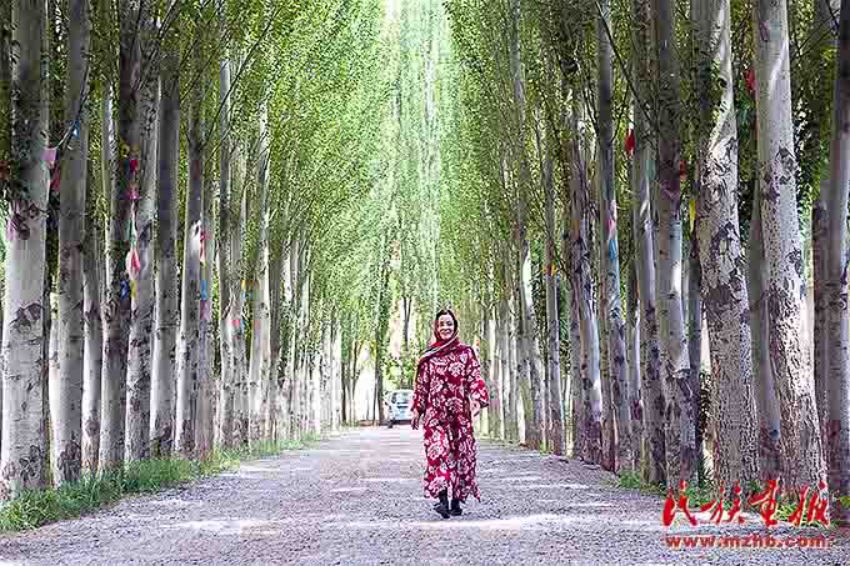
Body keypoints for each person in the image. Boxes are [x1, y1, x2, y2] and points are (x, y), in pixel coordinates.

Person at [411, 308, 489, 519]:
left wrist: (477, 399)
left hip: (459, 416)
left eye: (449, 324)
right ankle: (443, 500)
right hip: (435, 416)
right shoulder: (429, 357)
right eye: (441, 324)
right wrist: (417, 409)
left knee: (461, 456)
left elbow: (474, 378)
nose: (445, 327)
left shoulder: (466, 353)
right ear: (436, 328)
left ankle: (456, 501)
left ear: (455, 327)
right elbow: (422, 386)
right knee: (438, 453)